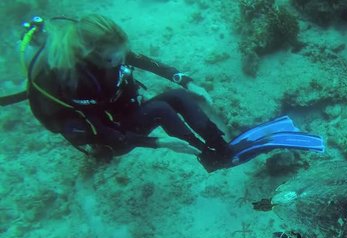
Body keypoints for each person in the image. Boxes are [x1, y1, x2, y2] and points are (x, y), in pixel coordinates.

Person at [4, 14, 325, 172]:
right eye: (116, 56)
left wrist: (186, 81)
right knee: (161, 111)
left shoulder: (104, 54)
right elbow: (105, 133)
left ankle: (219, 149)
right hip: (109, 138)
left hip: (122, 114)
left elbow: (142, 61)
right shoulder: (71, 82)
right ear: (93, 53)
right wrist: (160, 143)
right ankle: (207, 155)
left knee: (179, 97)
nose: (122, 59)